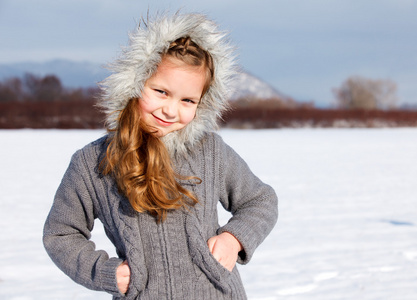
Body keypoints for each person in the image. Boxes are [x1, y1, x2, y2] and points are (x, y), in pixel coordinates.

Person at [43, 12, 278, 300]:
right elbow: (61, 234)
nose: (171, 110)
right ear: (135, 83)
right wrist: (105, 271)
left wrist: (234, 238)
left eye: (188, 100)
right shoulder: (92, 163)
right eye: (161, 92)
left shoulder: (210, 150)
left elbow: (260, 200)